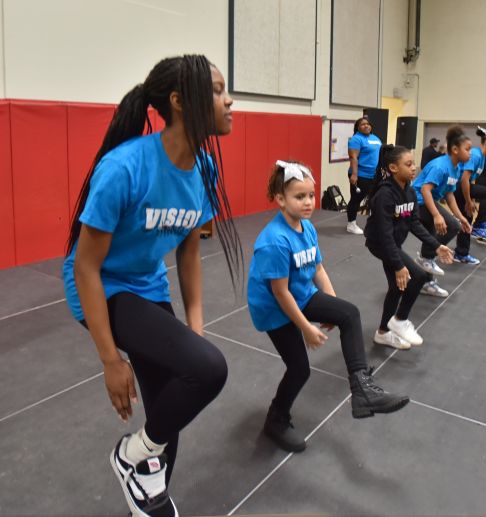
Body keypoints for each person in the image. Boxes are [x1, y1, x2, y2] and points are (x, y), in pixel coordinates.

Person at [63, 55, 241, 517]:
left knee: (170, 407)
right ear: (180, 102)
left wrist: (195, 329)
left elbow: (187, 251)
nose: (230, 100)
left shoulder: (205, 169)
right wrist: (110, 359)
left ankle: (147, 490)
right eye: (219, 90)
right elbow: (85, 267)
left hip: (148, 284)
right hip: (104, 287)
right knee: (209, 371)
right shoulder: (124, 169)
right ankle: (130, 457)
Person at [248, 160, 410, 453]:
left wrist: (332, 303)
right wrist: (306, 328)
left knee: (349, 313)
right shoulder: (274, 242)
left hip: (301, 293)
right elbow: (280, 294)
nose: (309, 202)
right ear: (280, 199)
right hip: (275, 309)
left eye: (311, 195)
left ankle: (362, 390)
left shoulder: (307, 228)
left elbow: (318, 269)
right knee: (300, 369)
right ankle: (276, 419)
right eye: (300, 196)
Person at [365, 145, 454, 349]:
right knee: (419, 276)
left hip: (391, 243)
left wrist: (437, 245)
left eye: (414, 163)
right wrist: (398, 265)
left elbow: (414, 223)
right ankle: (400, 320)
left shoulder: (410, 192)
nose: (414, 168)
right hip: (380, 243)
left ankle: (383, 333)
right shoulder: (385, 195)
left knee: (398, 287)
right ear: (393, 168)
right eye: (409, 164)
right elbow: (385, 235)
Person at [412, 126, 474, 298]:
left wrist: (461, 217)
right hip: (417, 201)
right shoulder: (441, 166)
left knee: (439, 232)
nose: (470, 153)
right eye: (467, 149)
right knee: (450, 225)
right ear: (455, 149)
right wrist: (437, 215)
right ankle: (426, 257)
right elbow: (425, 190)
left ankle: (427, 282)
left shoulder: (457, 168)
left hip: (429, 201)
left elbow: (449, 194)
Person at [454, 128, 486, 263]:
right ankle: (479, 226)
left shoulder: (482, 157)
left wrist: (472, 200)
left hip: (464, 187)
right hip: (456, 186)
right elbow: (464, 179)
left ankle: (461, 254)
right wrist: (468, 201)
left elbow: (472, 181)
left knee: (467, 219)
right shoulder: (475, 155)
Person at [345, 117, 383, 235]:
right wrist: (354, 174)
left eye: (368, 124)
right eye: (362, 124)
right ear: (357, 127)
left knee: (374, 199)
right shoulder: (356, 139)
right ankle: (351, 224)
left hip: (374, 174)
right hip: (360, 174)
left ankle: (374, 222)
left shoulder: (375, 138)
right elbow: (353, 157)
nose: (366, 126)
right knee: (356, 200)